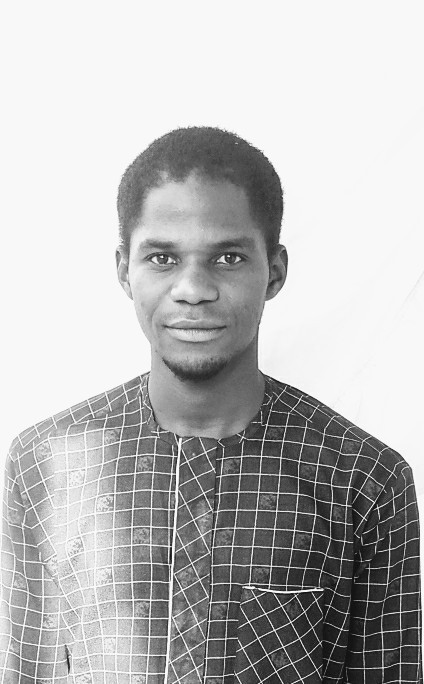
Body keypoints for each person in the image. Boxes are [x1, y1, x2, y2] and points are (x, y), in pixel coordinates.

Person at [0, 127, 421, 683]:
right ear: (124, 270)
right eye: (162, 258)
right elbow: (28, 668)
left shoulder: (365, 481)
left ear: (274, 271)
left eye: (227, 257)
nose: (193, 288)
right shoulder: (45, 465)